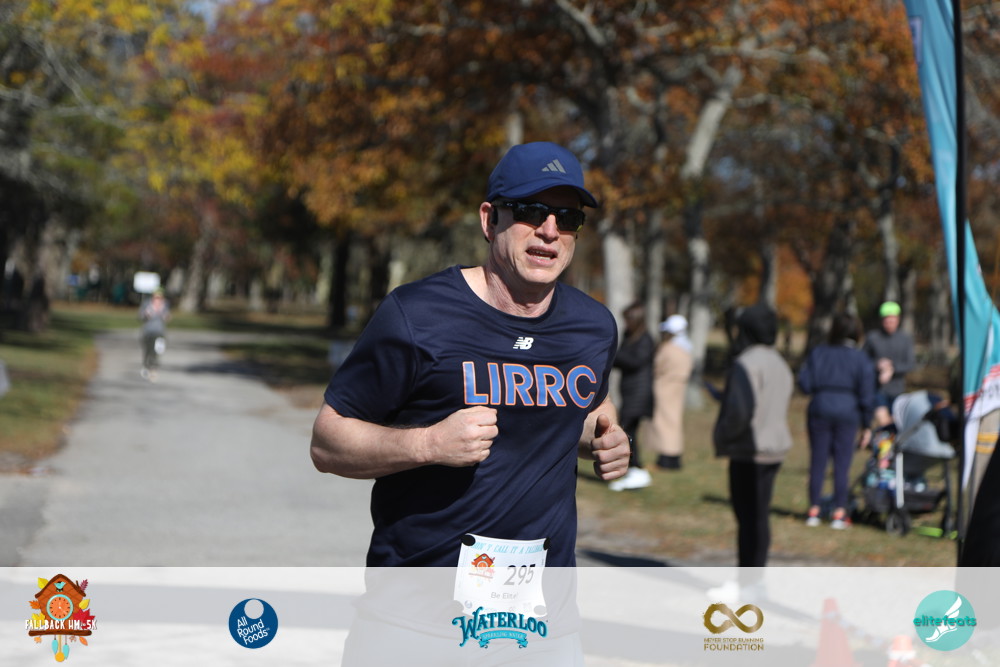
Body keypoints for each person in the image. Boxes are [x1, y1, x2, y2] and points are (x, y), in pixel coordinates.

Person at [310, 141, 631, 569]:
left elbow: (591, 407)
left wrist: (604, 440)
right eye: (531, 211)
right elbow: (327, 443)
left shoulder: (593, 325)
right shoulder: (417, 314)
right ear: (489, 219)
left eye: (568, 218)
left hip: (544, 596)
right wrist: (428, 444)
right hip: (421, 591)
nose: (550, 231)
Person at [709, 304, 792, 601]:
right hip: (773, 448)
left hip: (750, 449)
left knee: (748, 520)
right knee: (759, 518)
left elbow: (740, 412)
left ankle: (748, 583)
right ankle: (754, 581)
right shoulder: (779, 362)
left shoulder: (746, 362)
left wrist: (724, 435)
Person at [797, 312, 875, 529]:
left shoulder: (818, 352)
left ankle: (813, 510)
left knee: (818, 461)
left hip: (820, 408)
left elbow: (804, 384)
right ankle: (839, 513)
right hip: (848, 412)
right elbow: (867, 394)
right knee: (842, 464)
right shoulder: (860, 358)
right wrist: (867, 424)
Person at [608, 302, 655, 491]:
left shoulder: (646, 340)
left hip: (640, 394)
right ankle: (634, 470)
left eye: (628, 319)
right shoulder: (630, 336)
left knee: (627, 432)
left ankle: (636, 469)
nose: (626, 323)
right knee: (630, 432)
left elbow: (634, 361)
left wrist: (612, 355)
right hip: (629, 393)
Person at [650, 314, 693, 470]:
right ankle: (673, 457)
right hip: (679, 388)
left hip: (665, 387)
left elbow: (658, 365)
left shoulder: (668, 348)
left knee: (664, 422)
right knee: (674, 421)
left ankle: (666, 459)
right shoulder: (687, 348)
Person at [862, 301, 915, 427]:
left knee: (895, 424)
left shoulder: (905, 339)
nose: (889, 323)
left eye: (892, 320)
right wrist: (877, 365)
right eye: (886, 320)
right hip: (877, 388)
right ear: (881, 320)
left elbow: (911, 364)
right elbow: (862, 361)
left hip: (898, 390)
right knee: (884, 422)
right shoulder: (872, 338)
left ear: (898, 320)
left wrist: (892, 368)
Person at [138, 288, 170, 380]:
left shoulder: (165, 305)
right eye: (156, 297)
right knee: (148, 350)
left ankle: (153, 368)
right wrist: (147, 313)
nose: (157, 299)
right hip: (148, 331)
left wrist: (164, 314)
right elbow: (140, 316)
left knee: (157, 351)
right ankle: (146, 365)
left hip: (159, 332)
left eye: (159, 297)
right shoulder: (147, 304)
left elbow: (167, 318)